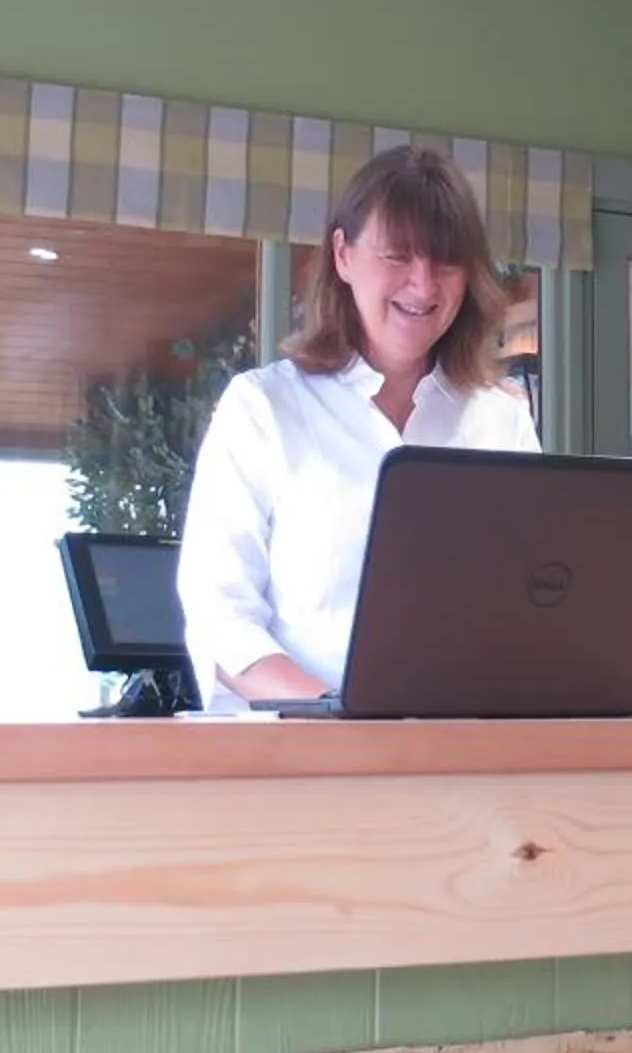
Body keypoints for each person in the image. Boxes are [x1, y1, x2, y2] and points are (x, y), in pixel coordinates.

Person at [176, 145, 539, 714]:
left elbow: (530, 602)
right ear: (343, 256)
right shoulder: (264, 408)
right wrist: (339, 713)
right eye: (397, 256)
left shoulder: (502, 418)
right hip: (298, 772)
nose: (423, 286)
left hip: (463, 761)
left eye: (445, 261)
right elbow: (223, 620)